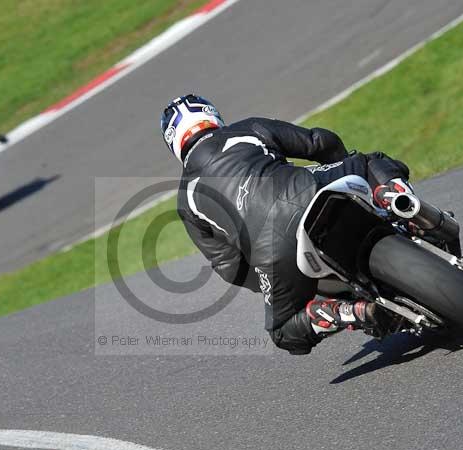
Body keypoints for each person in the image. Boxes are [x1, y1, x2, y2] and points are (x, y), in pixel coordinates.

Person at [162, 94, 410, 355]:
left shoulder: (185, 200)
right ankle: (399, 200)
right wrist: (340, 163)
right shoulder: (246, 129)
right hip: (305, 188)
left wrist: (274, 279)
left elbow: (229, 266)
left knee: (283, 332)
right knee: (371, 162)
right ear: (210, 114)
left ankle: (343, 312)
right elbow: (318, 142)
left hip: (269, 250)